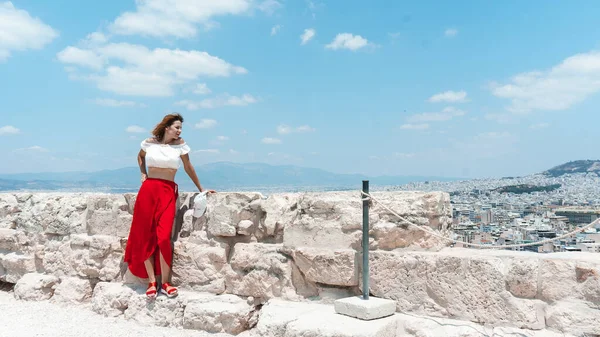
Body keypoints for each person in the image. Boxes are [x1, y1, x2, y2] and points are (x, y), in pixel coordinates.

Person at [124, 113, 216, 299]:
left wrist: (201, 189)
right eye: (177, 127)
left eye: (181, 128)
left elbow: (189, 167)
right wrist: (143, 174)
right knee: (145, 236)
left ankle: (165, 282)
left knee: (164, 237)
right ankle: (152, 282)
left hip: (167, 191)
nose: (179, 131)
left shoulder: (180, 145)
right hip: (148, 191)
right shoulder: (149, 143)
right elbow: (140, 157)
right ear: (167, 127)